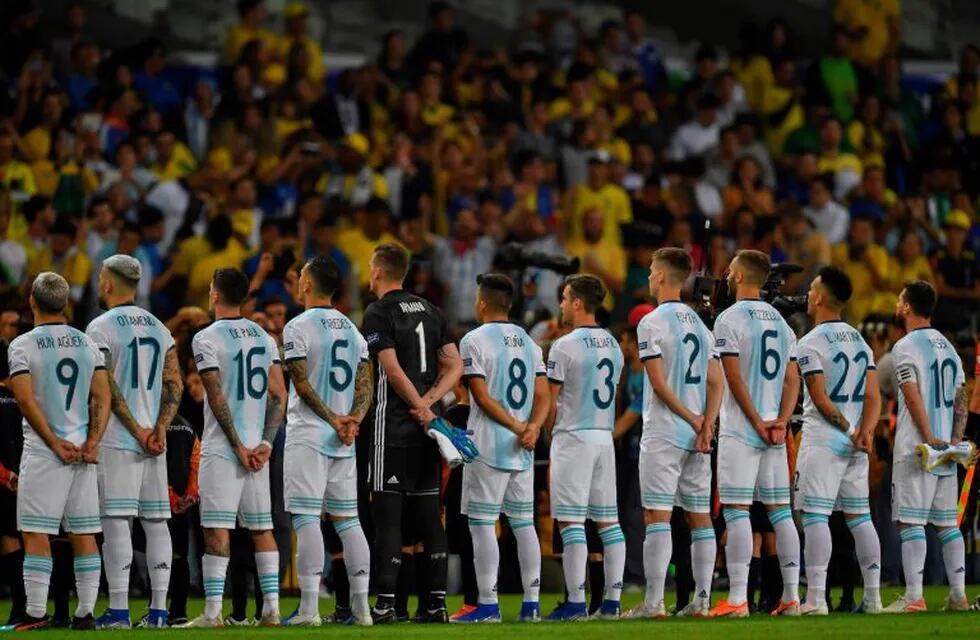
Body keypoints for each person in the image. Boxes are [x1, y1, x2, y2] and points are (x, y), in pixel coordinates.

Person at [361, 243, 463, 624]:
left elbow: (390, 370)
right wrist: (431, 403)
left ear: (378, 271)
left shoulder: (378, 311)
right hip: (430, 429)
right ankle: (435, 604)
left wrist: (416, 406)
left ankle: (386, 604)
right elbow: (455, 364)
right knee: (427, 516)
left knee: (387, 516)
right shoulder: (432, 310)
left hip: (394, 427)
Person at [7, 272, 111, 630]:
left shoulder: (23, 345)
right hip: (83, 451)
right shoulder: (86, 344)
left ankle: (35, 612)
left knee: (37, 532)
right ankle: (85, 614)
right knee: (84, 533)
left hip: (46, 452)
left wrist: (53, 442)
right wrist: (93, 441)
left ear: (32, 301)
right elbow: (102, 395)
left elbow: (23, 399)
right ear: (65, 303)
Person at [85, 255, 183, 628]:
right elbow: (173, 382)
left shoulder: (100, 328)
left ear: (109, 283)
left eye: (99, 279)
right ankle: (158, 613)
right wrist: (158, 427)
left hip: (119, 440)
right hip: (154, 442)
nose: (98, 285)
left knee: (116, 522)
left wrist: (137, 429)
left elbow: (105, 385)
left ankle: (119, 612)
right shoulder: (159, 327)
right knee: (157, 523)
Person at [625, 248, 723, 619]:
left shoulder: (651, 322)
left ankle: (653, 603)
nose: (649, 277)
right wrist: (706, 422)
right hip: (697, 436)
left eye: (651, 271)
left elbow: (658, 384)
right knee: (699, 517)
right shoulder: (699, 323)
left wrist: (692, 419)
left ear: (664, 276)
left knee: (657, 516)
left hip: (666, 432)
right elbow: (717, 383)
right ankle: (701, 601)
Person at [186, 268, 287, 627]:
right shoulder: (263, 336)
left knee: (216, 529)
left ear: (214, 294)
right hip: (258, 450)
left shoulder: (206, 338)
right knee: (262, 529)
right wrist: (264, 443)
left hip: (223, 448)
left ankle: (213, 613)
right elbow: (279, 394)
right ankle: (272, 610)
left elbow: (214, 395)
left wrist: (237, 446)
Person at [281, 256, 374, 627]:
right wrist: (353, 421)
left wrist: (334, 419)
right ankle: (363, 609)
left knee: (306, 519)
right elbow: (365, 383)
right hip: (344, 437)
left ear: (307, 284)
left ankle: (308, 609)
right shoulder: (353, 330)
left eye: (301, 275)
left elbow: (301, 384)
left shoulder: (297, 327)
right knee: (348, 521)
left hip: (310, 433)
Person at [710, 250, 802, 618]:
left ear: (738, 276)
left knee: (737, 512)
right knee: (781, 514)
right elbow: (793, 378)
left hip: (742, 430)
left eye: (730, 270)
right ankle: (792, 597)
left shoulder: (728, 319)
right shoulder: (782, 323)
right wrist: (780, 419)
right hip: (774, 432)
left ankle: (737, 599)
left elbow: (732, 377)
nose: (727, 276)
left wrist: (756, 421)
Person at [455, 273, 548, 623]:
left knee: (482, 524)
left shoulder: (473, 340)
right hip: (522, 449)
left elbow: (479, 395)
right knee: (524, 524)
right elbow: (543, 395)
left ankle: (488, 605)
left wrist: (516, 426)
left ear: (481, 303)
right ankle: (532, 605)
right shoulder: (529, 342)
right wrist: (533, 428)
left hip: (489, 446)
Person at [795, 266, 883, 615]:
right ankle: (874, 598)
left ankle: (815, 598)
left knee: (815, 516)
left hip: (824, 440)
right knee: (860, 518)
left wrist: (849, 430)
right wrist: (867, 432)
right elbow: (874, 396)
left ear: (818, 297)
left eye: (812, 287)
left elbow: (819, 397)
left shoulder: (809, 343)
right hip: (855, 444)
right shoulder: (859, 339)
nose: (808, 293)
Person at [885, 280, 970, 612]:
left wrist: (929, 436)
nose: (896, 304)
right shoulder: (948, 346)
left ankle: (914, 596)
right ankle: (958, 595)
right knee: (947, 524)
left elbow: (910, 392)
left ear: (907, 307)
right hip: (947, 449)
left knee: (910, 521)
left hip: (917, 448)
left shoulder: (905, 346)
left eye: (899, 300)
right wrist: (955, 438)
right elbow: (962, 395)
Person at [544, 274, 625, 621]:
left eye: (564, 298)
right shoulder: (613, 344)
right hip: (604, 437)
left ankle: (576, 603)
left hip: (573, 437)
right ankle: (611, 603)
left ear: (578, 302)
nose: (561, 304)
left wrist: (549, 435)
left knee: (571, 522)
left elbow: (549, 402)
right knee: (609, 523)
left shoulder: (564, 345)